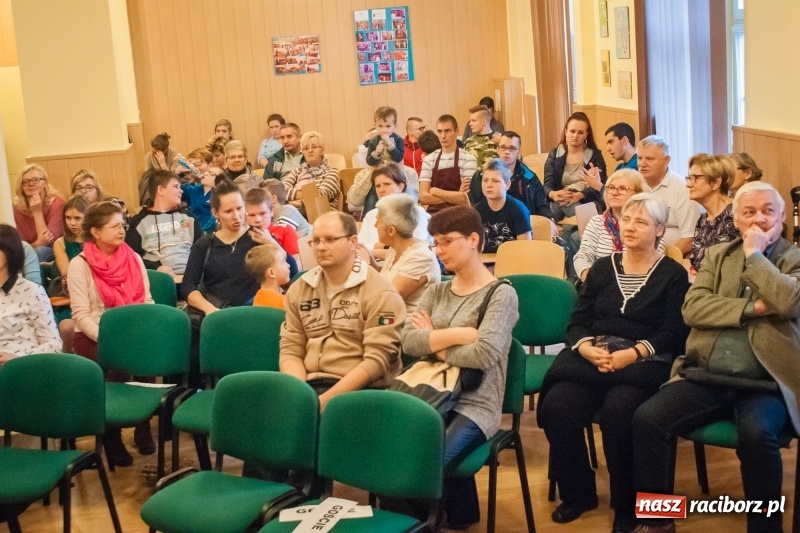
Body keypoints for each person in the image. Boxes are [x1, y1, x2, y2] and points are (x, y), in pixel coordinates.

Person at [631, 182, 800, 533]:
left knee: (757, 436)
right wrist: (753, 308)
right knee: (648, 418)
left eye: (769, 210)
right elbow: (692, 308)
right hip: (705, 374)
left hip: (765, 383)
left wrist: (755, 256)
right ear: (735, 218)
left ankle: (764, 528)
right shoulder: (718, 255)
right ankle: (658, 520)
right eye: (749, 212)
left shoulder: (795, 258)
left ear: (783, 217)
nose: (760, 219)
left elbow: (787, 301)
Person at [537, 193, 690, 533]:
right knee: (557, 407)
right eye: (626, 219)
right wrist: (586, 347)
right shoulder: (604, 267)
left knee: (619, 413)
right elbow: (578, 320)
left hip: (644, 360)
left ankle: (627, 505)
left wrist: (632, 354)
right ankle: (578, 493)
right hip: (596, 355)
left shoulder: (673, 274)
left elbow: (673, 332)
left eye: (641, 221)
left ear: (660, 229)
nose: (629, 226)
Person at [401, 206, 519, 529]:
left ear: (473, 240)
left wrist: (434, 343)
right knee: (389, 458)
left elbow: (483, 355)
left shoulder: (501, 294)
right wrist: (459, 336)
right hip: (428, 394)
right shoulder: (437, 291)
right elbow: (408, 342)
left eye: (446, 242)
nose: (439, 251)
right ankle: (440, 517)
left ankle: (431, 519)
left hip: (474, 402)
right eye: (435, 244)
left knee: (418, 468)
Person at [280, 211, 406, 411]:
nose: (321, 247)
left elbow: (377, 360)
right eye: (316, 241)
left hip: (361, 391)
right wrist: (299, 394)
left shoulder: (380, 292)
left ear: (353, 242)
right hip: (309, 385)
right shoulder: (300, 288)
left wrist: (324, 402)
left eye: (330, 239)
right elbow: (291, 348)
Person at [68, 201, 155, 466]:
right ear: (95, 232)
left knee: (149, 355)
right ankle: (112, 433)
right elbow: (81, 316)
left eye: (123, 225)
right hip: (95, 333)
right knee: (117, 361)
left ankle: (143, 424)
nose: (122, 231)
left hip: (131, 330)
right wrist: (111, 340)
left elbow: (146, 301)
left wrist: (138, 333)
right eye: (115, 226)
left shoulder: (133, 258)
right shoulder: (79, 264)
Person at [181, 179, 260, 311]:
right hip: (216, 311)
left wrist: (272, 242)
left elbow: (289, 273)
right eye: (228, 211)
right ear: (215, 213)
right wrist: (210, 310)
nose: (236, 216)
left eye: (239, 208)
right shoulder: (205, 244)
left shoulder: (258, 236)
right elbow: (188, 287)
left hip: (252, 312)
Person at [574, 169, 665, 281]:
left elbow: (655, 262)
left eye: (622, 188)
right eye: (611, 188)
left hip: (639, 283)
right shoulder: (597, 222)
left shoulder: (648, 225)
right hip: (599, 284)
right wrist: (590, 278)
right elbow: (582, 256)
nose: (614, 192)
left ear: (639, 194)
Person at [357, 193, 440, 317]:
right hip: (387, 318)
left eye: (378, 221)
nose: (375, 225)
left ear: (391, 231)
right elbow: (387, 278)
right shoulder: (396, 249)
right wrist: (370, 261)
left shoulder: (420, 257)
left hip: (405, 325)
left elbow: (389, 299)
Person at [0, 224, 61, 365]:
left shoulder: (32, 291)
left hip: (20, 367)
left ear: (10, 252)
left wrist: (19, 357)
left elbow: (54, 344)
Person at [126, 170, 202, 280]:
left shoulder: (188, 216)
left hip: (191, 277)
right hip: (158, 279)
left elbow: (202, 248)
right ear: (161, 190)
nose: (181, 191)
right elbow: (131, 256)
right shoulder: (138, 222)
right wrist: (155, 268)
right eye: (176, 187)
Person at [637, 135, 699, 256]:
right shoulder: (634, 185)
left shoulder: (683, 189)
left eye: (649, 159)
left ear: (666, 160)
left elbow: (689, 239)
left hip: (670, 259)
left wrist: (662, 262)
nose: (642, 164)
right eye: (640, 158)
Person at [468, 130, 552, 219]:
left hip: (521, 223)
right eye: (503, 147)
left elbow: (541, 205)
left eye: (512, 148)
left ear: (519, 152)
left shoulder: (529, 177)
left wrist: (550, 219)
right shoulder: (481, 176)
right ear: (497, 150)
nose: (507, 152)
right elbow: (473, 205)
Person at [357, 164, 430, 261]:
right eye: (378, 186)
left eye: (387, 184)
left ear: (401, 186)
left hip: (409, 263)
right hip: (374, 263)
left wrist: (375, 250)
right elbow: (361, 247)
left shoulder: (415, 212)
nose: (381, 190)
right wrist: (387, 247)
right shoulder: (371, 215)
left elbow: (416, 247)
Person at [544, 112, 607, 222]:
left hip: (586, 201)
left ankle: (587, 227)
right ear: (566, 132)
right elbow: (547, 184)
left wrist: (580, 195)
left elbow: (601, 187)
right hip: (559, 200)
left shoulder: (595, 155)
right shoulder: (555, 154)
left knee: (563, 206)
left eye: (580, 132)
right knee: (559, 205)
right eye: (572, 131)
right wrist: (553, 194)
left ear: (586, 135)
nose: (575, 136)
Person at [686, 153, 739, 272]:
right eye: (689, 178)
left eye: (695, 178)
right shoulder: (703, 220)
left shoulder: (736, 214)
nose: (688, 184)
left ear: (715, 182)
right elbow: (696, 264)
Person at [53, 195, 90, 352]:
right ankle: (68, 364)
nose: (72, 223)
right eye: (68, 218)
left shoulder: (95, 240)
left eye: (77, 218)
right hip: (70, 298)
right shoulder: (60, 243)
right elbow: (68, 274)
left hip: (95, 295)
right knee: (67, 326)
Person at [419, 115, 478, 213]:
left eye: (447, 131)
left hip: (460, 214)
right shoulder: (429, 159)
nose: (443, 136)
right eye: (440, 131)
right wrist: (457, 194)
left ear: (456, 131)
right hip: (434, 215)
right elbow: (424, 198)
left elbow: (466, 198)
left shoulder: (468, 158)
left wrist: (436, 191)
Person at [473, 158, 532, 253]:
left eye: (495, 181)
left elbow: (524, 249)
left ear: (507, 184)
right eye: (485, 180)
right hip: (485, 262)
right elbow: (473, 248)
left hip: (512, 262)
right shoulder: (476, 211)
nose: (489, 185)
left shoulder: (518, 210)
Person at [13, 164, 65, 262]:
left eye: (36, 180)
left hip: (53, 250)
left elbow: (49, 241)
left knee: (39, 251)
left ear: (45, 183)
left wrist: (37, 212)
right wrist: (37, 244)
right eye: (26, 182)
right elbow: (18, 246)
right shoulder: (16, 208)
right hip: (28, 250)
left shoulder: (57, 204)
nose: (31, 184)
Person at [281, 131, 341, 213]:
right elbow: (281, 190)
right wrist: (308, 194)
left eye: (314, 147)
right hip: (294, 212)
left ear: (322, 150)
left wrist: (294, 202)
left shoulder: (332, 172)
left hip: (321, 214)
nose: (310, 151)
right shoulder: (297, 171)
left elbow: (320, 196)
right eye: (306, 148)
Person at [243, 187, 301, 270]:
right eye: (252, 215)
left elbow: (298, 267)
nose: (258, 220)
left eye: (262, 213)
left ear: (272, 211)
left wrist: (271, 242)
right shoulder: (242, 235)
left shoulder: (285, 230)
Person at [181, 148, 222, 233]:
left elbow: (214, 220)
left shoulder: (219, 193)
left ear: (210, 165)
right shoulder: (193, 189)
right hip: (192, 231)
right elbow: (173, 190)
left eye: (198, 164)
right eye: (191, 166)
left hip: (208, 233)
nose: (195, 169)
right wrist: (177, 172)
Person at [245, 242, 290, 309]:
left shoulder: (257, 299)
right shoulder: (284, 303)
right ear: (271, 273)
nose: (288, 265)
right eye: (283, 262)